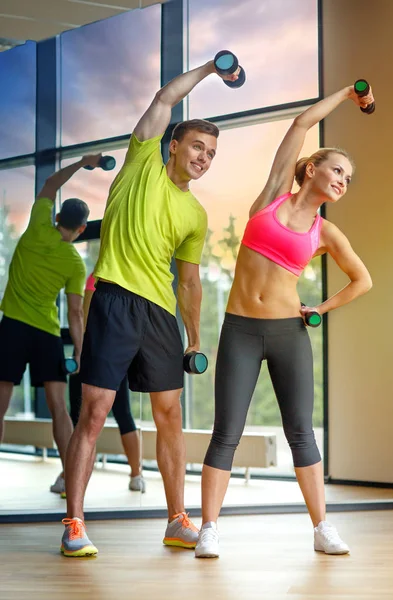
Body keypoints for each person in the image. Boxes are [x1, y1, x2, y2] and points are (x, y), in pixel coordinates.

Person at [60, 55, 242, 558]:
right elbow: (164, 99)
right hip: (115, 299)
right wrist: (211, 69)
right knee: (93, 413)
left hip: (160, 317)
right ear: (173, 145)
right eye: (197, 147)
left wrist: (196, 336)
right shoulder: (141, 164)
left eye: (211, 153)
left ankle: (176, 520)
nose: (204, 158)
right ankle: (74, 522)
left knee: (169, 415)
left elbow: (188, 281)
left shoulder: (196, 214)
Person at [195, 84, 374, 559]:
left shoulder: (325, 231)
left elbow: (363, 280)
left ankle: (322, 528)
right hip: (240, 330)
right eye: (338, 169)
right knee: (226, 431)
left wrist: (320, 308)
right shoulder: (272, 199)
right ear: (311, 169)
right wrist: (347, 94)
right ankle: (209, 528)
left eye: (349, 178)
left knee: (301, 432)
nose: (343, 180)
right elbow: (299, 125)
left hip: (287, 334)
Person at [0, 155, 100, 494]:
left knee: (0, 406)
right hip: (45, 334)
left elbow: (51, 184)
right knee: (60, 409)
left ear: (57, 217)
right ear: (82, 228)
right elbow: (75, 313)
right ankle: (69, 479)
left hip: (12, 327)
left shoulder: (37, 227)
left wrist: (83, 162)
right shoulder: (74, 262)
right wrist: (83, 353)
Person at [68, 272, 145, 493]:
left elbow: (83, 317)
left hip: (95, 353)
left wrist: (80, 353)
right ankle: (136, 474)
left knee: (84, 420)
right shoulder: (124, 275)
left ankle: (70, 476)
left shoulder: (97, 277)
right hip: (116, 353)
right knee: (122, 415)